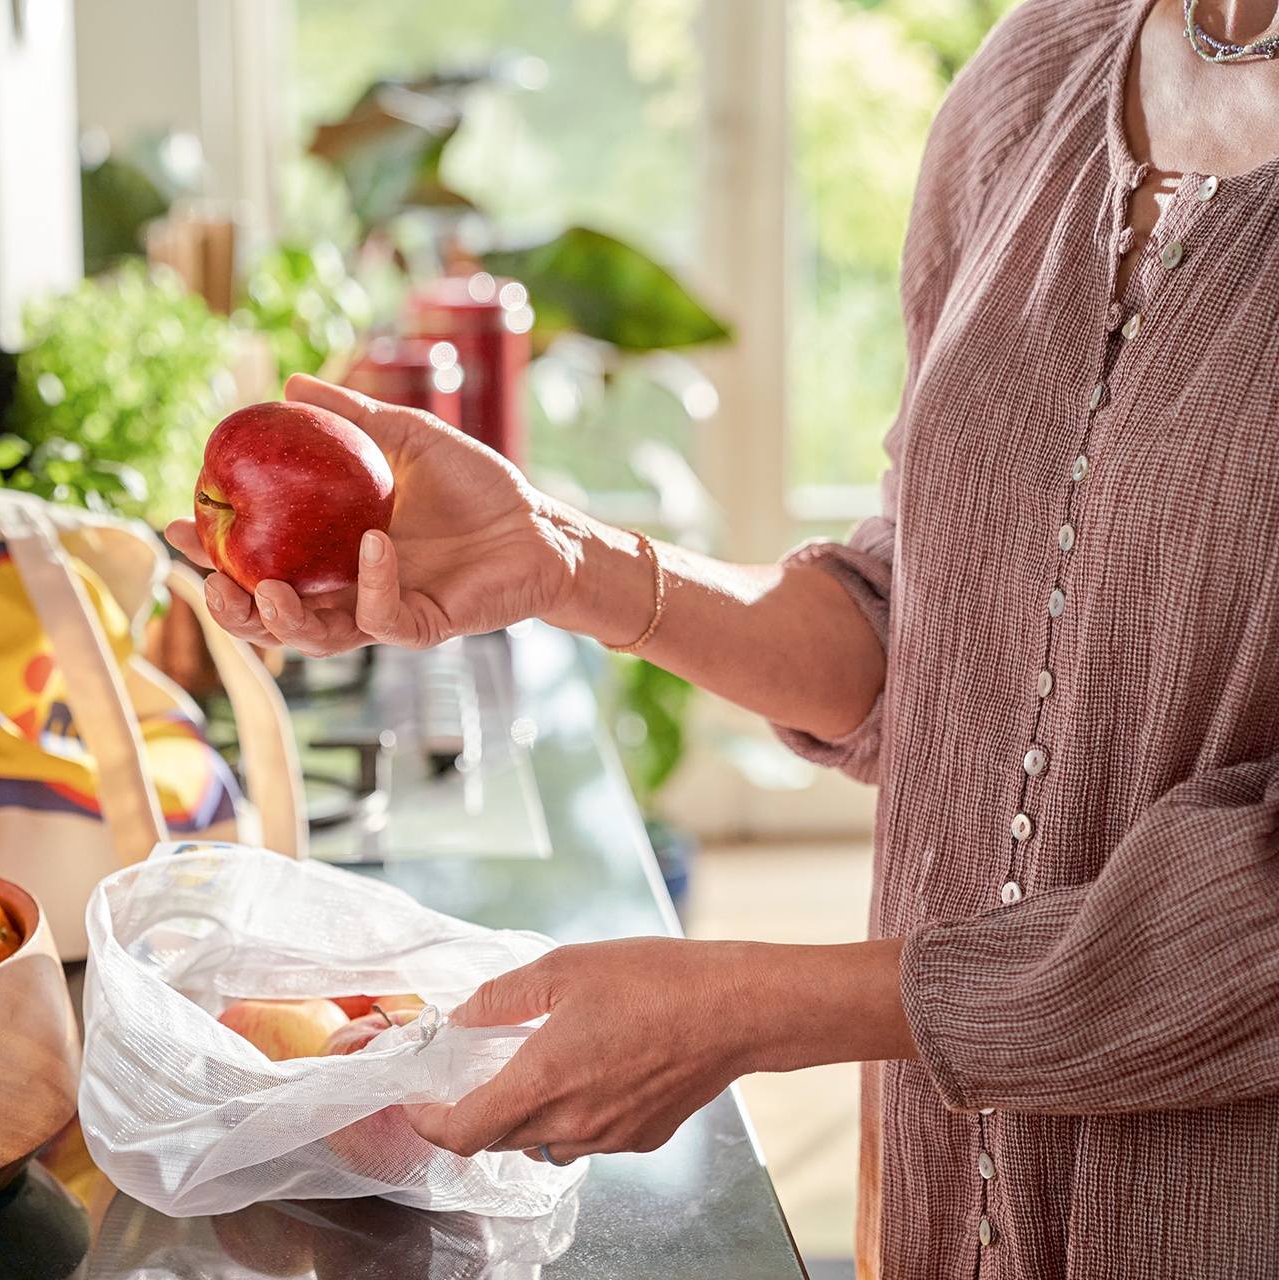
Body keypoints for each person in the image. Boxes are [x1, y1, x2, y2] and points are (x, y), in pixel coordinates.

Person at [168, 1, 1279, 1274]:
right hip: (941, 1196)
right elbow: (933, 627)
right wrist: (560, 558)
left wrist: (754, 1007)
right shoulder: (1039, 78)